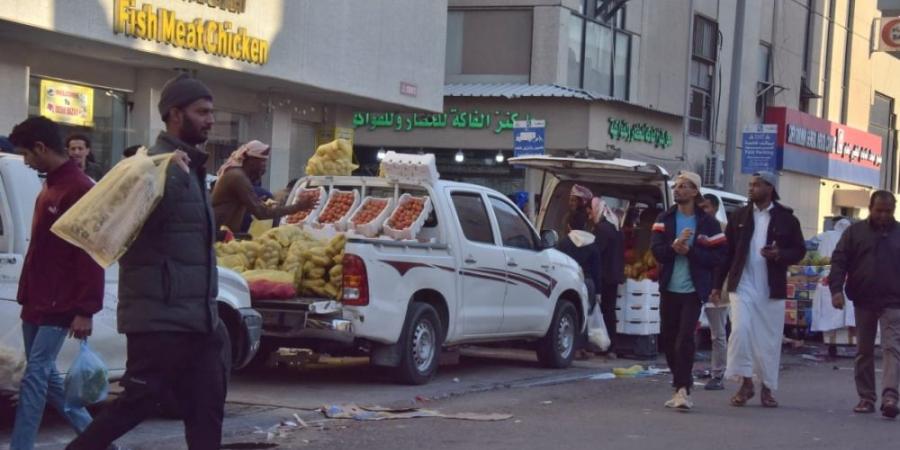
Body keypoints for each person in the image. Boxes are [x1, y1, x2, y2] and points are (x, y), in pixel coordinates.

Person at [68, 73, 227, 450]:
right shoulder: (151, 168)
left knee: (207, 408)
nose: (210, 120)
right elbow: (117, 229)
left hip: (200, 320)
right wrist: (165, 176)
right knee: (138, 403)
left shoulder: (193, 169)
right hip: (160, 318)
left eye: (211, 112)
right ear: (175, 114)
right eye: (202, 112)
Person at [8, 117, 104, 450]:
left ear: (40, 148)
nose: (25, 162)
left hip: (59, 302)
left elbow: (91, 251)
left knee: (35, 376)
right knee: (45, 377)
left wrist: (86, 309)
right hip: (36, 298)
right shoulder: (49, 185)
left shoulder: (79, 188)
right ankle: (100, 442)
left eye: (26, 154)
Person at [712, 171, 806, 408]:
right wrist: (716, 285)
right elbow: (727, 254)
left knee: (768, 340)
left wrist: (780, 255)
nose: (751, 188)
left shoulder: (787, 218)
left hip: (771, 287)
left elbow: (799, 251)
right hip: (742, 284)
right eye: (750, 185)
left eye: (756, 185)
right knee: (740, 331)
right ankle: (745, 382)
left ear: (770, 188)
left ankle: (767, 387)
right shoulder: (740, 216)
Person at [651, 171, 726, 410]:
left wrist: (690, 252)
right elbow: (657, 251)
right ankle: (681, 382)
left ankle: (681, 389)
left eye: (684, 186)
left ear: (695, 191)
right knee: (669, 339)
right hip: (669, 287)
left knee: (685, 339)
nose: (677, 189)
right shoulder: (665, 218)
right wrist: (674, 248)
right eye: (676, 186)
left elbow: (719, 256)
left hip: (694, 290)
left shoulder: (708, 222)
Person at [829, 190, 900, 419]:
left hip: (894, 301)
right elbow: (839, 261)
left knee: (892, 347)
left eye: (888, 211)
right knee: (864, 350)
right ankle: (866, 397)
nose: (883, 215)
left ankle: (890, 396)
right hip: (864, 299)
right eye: (879, 210)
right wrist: (836, 290)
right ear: (870, 208)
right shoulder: (854, 233)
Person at [211, 140, 311, 233]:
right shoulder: (237, 177)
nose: (264, 166)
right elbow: (261, 213)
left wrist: (257, 202)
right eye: (262, 161)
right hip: (218, 233)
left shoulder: (238, 175)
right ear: (250, 161)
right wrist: (297, 207)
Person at [557, 211, 601, 360]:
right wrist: (598, 292)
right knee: (585, 316)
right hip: (588, 283)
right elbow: (597, 269)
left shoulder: (563, 243)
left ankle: (573, 348)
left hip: (570, 282)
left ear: (569, 225)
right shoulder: (592, 243)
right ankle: (583, 348)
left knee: (572, 315)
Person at [698, 193, 728, 390]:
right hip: (695, 285)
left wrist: (718, 286)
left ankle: (718, 374)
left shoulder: (723, 230)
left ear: (716, 209)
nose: (703, 210)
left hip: (715, 287)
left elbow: (723, 261)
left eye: (707, 207)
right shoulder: (694, 226)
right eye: (701, 207)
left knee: (717, 333)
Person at [590, 196, 624, 356]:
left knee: (604, 311)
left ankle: (606, 344)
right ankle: (612, 346)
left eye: (591, 210)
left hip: (604, 276)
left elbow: (596, 252)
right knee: (609, 311)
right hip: (614, 275)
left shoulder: (602, 229)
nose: (590, 214)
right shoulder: (615, 227)